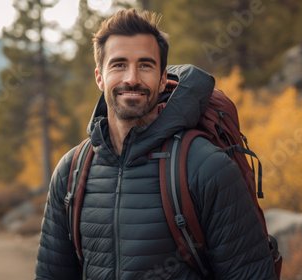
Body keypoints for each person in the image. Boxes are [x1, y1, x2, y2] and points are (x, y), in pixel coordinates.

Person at [35, 8, 275, 280]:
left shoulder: (207, 168)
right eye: (119, 64)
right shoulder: (71, 171)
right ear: (99, 77)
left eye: (145, 65)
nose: (132, 78)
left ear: (163, 79)